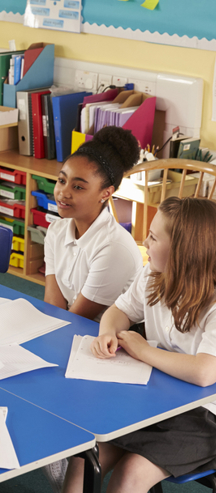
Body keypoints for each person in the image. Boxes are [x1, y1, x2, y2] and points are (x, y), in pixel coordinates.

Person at [64, 197, 216, 493]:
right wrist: (108, 331)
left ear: (184, 253)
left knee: (130, 475)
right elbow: (119, 311)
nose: (144, 242)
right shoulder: (153, 275)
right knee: (85, 458)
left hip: (205, 416)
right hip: (159, 397)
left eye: (154, 237)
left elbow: (205, 372)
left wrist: (143, 350)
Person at [44, 126, 143, 321]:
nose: (63, 192)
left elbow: (79, 318)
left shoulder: (114, 248)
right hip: (69, 327)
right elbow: (52, 305)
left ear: (106, 193)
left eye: (78, 186)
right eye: (62, 180)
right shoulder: (56, 230)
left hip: (108, 338)